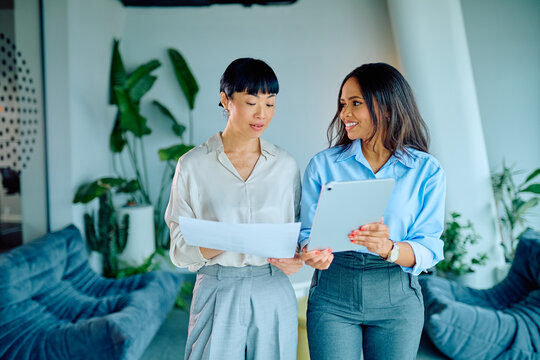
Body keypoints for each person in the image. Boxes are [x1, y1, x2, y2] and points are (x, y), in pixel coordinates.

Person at [299, 63, 446, 360]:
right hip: (333, 294)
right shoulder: (322, 165)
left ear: (388, 108)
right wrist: (310, 250)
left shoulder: (427, 171)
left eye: (356, 104)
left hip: (396, 296)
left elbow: (430, 245)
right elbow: (305, 233)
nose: (345, 115)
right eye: (343, 104)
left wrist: (389, 248)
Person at [164, 58, 302, 360]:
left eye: (270, 104)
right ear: (226, 100)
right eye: (251, 102)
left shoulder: (285, 166)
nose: (261, 114)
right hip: (217, 287)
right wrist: (223, 240)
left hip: (272, 286)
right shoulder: (192, 165)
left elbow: (299, 232)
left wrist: (298, 258)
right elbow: (177, 249)